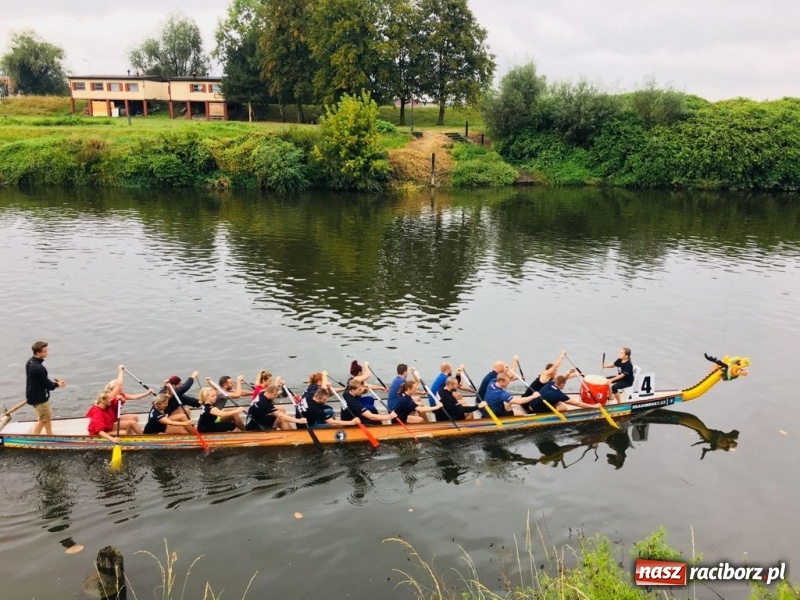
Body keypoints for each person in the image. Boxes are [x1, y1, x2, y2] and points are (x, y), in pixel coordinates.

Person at [86, 365, 149, 440]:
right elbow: (100, 431)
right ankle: (145, 439)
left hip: (110, 423)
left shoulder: (108, 399)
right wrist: (120, 371)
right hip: (101, 432)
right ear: (103, 401)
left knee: (134, 418)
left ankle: (126, 436)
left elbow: (133, 396)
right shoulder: (98, 411)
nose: (111, 400)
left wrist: (148, 393)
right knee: (130, 425)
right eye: (109, 400)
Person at [25, 341, 66, 435]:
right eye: (44, 351)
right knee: (43, 419)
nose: (47, 353)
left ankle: (49, 433)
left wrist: (54, 383)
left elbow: (39, 381)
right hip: (40, 398)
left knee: (46, 416)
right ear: (38, 353)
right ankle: (35, 437)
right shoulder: (38, 368)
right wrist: (58, 384)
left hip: (33, 394)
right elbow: (48, 385)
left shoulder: (30, 362)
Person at [528, 375, 596, 414]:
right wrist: (593, 406)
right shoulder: (559, 394)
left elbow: (561, 379)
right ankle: (550, 416)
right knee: (563, 407)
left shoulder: (550, 383)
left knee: (556, 401)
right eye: (564, 384)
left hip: (530, 404)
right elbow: (577, 404)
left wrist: (571, 374)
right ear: (562, 384)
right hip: (535, 410)